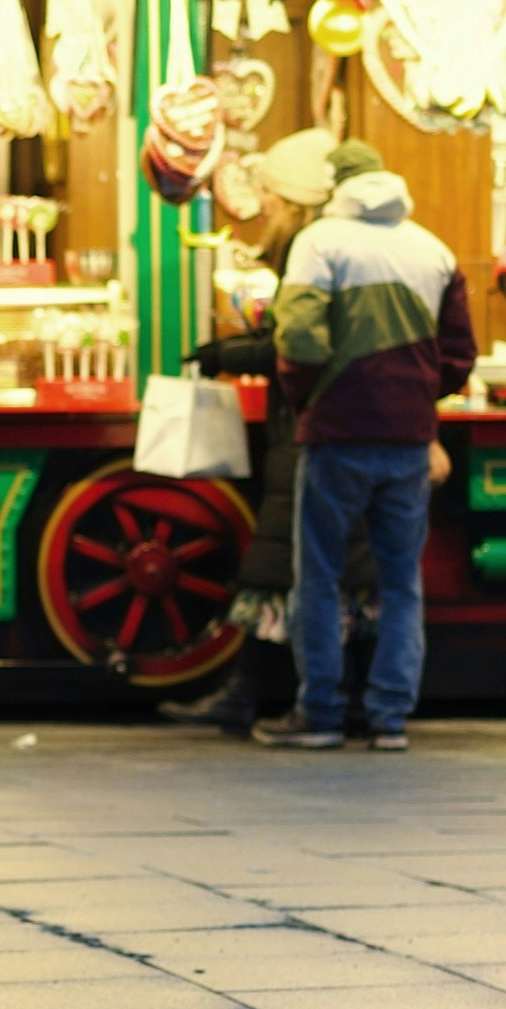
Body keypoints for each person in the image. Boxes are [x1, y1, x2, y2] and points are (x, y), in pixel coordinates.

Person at [278, 147, 474, 750]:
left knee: (318, 576)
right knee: (400, 580)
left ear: (335, 185)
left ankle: (322, 713)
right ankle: (390, 716)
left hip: (337, 435)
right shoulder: (434, 249)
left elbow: (299, 340)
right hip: (408, 441)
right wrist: (416, 399)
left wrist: (305, 398)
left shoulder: (320, 242)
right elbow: (460, 355)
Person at [167, 236, 307, 744]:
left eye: (271, 196)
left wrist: (230, 353)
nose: (262, 208)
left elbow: (293, 345)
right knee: (295, 572)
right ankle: (289, 695)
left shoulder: (311, 256)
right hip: (312, 436)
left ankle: (258, 694)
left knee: (277, 570)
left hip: (304, 438)